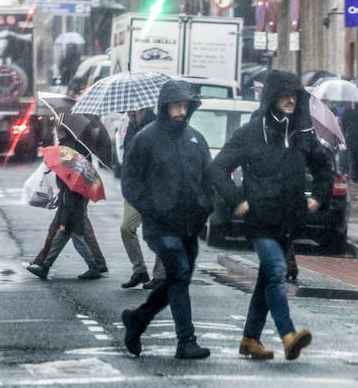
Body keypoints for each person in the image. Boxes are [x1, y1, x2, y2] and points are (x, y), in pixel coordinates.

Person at [210, 70, 332, 361]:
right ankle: (288, 336)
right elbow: (217, 168)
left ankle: (250, 340)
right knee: (277, 271)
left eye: (295, 95)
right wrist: (237, 200)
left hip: (289, 220)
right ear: (272, 97)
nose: (291, 100)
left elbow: (324, 170)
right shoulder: (251, 133)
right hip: (260, 220)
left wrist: (318, 197)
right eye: (285, 95)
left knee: (267, 279)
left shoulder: (303, 133)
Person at [120, 80, 215, 360]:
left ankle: (136, 320)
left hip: (190, 225)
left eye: (185, 106)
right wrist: (152, 207)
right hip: (161, 227)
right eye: (176, 105)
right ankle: (186, 340)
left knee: (176, 278)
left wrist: (205, 208)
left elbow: (208, 179)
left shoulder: (196, 138)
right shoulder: (146, 139)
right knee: (180, 273)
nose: (181, 111)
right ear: (164, 107)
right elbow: (130, 181)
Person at [26, 119, 103, 280]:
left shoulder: (68, 151)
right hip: (70, 197)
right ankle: (45, 265)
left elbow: (70, 189)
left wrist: (64, 221)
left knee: (73, 234)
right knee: (67, 235)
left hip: (71, 199)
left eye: (59, 131)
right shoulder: (71, 146)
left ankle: (95, 265)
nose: (57, 133)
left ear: (64, 132)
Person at [118, 107, 166, 290]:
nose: (129, 113)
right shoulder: (131, 127)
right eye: (128, 110)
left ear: (144, 108)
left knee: (158, 232)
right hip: (134, 189)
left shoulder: (157, 126)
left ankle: (160, 275)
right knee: (126, 228)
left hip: (154, 189)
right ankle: (140, 270)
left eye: (133, 110)